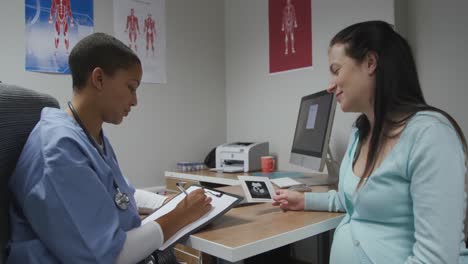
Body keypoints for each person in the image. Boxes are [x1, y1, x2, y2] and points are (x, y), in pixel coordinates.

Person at [7, 32, 212, 264]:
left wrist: (166, 203)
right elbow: (107, 257)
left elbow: (120, 195)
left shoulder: (88, 134)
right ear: (99, 79)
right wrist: (180, 215)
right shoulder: (57, 150)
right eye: (131, 87)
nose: (135, 101)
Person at [273, 21, 468, 263]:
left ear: (370, 63)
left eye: (336, 70)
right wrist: (305, 200)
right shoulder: (361, 131)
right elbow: (354, 200)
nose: (330, 85)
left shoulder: (431, 135)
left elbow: (436, 259)